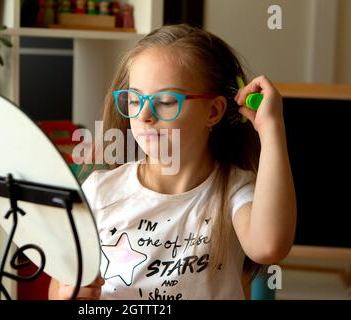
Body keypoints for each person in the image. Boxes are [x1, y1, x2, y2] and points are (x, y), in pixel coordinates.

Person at [48, 24, 297, 300]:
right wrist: (70, 296)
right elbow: (59, 285)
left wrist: (270, 127)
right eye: (133, 99)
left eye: (165, 101)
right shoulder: (99, 192)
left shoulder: (233, 191)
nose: (144, 115)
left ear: (213, 112)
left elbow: (269, 246)